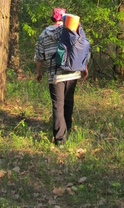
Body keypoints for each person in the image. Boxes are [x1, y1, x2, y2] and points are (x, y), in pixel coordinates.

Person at [35, 8, 88, 147]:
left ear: (52, 18)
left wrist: (39, 72)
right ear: (64, 18)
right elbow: (81, 48)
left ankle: (60, 139)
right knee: (68, 101)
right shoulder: (70, 29)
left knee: (58, 105)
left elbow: (39, 56)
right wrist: (84, 67)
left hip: (55, 75)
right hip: (73, 72)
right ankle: (68, 129)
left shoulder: (44, 34)